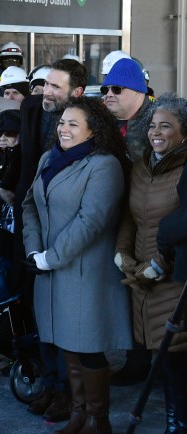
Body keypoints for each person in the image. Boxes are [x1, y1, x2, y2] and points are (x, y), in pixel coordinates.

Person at [22, 96, 133, 434]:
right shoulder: (48, 158)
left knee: (88, 348)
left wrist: (50, 257)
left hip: (85, 274)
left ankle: (99, 421)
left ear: (92, 131)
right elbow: (29, 205)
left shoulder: (104, 165)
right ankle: (79, 414)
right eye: (61, 122)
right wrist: (33, 250)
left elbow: (91, 222)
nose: (63, 129)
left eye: (73, 124)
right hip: (51, 270)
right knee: (67, 345)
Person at [14, 58, 87, 423]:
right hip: (30, 221)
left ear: (75, 92)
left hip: (66, 232)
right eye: (45, 83)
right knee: (38, 310)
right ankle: (49, 381)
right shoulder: (29, 106)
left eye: (56, 87)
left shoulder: (83, 121)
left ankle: (69, 393)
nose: (46, 91)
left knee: (67, 319)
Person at [114, 93, 187, 433]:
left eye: (167, 126)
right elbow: (131, 217)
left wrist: (158, 265)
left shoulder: (185, 169)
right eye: (153, 125)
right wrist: (123, 254)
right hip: (141, 273)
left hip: (173, 278)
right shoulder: (142, 165)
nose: (157, 132)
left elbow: (181, 227)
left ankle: (178, 422)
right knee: (159, 352)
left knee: (175, 356)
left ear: (183, 133)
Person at [100, 57, 154, 386]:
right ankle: (140, 359)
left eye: (116, 89)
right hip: (124, 221)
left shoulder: (156, 122)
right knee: (133, 293)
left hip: (151, 222)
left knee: (150, 293)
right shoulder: (111, 124)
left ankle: (151, 362)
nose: (108, 94)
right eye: (105, 88)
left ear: (136, 91)